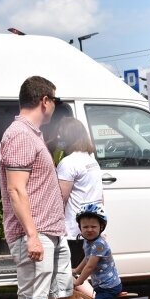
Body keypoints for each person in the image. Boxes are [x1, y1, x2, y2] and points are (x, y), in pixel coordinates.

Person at [0, 76, 95, 299]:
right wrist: (32, 235)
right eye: (54, 100)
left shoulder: (31, 135)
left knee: (59, 295)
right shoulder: (20, 135)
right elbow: (16, 190)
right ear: (45, 100)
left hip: (52, 232)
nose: (54, 106)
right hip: (36, 235)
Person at [71, 203, 123, 299]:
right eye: (85, 226)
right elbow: (86, 259)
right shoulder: (88, 242)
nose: (89, 229)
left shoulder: (99, 244)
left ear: (101, 227)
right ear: (80, 227)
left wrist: (78, 281)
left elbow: (91, 266)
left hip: (109, 287)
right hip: (101, 286)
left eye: (93, 226)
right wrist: (75, 270)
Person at [55, 116, 104, 280]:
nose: (58, 139)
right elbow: (100, 196)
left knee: (76, 276)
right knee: (88, 274)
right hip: (91, 226)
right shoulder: (91, 160)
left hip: (74, 230)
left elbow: (60, 198)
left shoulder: (68, 163)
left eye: (61, 135)